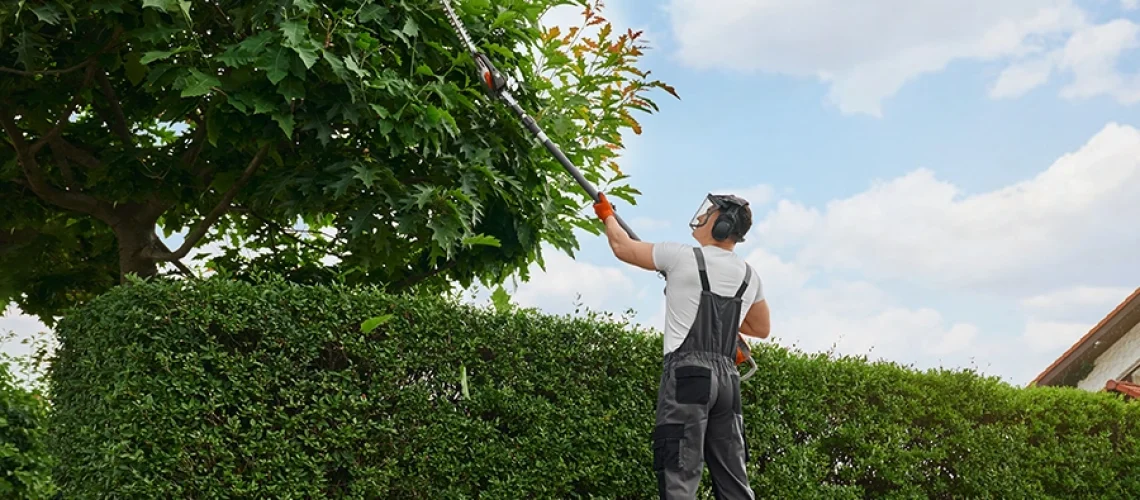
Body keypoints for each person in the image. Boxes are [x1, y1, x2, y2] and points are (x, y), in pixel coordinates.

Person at [593, 191, 770, 499]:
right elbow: (760, 328)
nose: (701, 217)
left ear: (722, 225)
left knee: (679, 470)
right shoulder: (749, 276)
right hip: (728, 381)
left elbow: (623, 247)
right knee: (733, 478)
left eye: (709, 213)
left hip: (689, 374)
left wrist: (608, 214)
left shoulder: (679, 256)